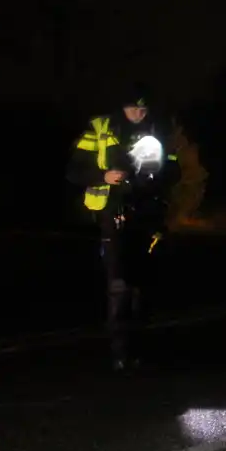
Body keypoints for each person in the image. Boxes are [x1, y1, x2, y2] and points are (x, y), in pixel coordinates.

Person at [66, 86, 180, 371]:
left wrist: (156, 172)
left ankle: (140, 349)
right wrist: (103, 175)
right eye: (132, 108)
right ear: (121, 107)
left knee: (143, 283)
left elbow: (174, 169)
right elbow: (74, 170)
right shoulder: (100, 128)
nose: (138, 114)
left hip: (148, 215)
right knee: (118, 284)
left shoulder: (158, 128)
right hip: (113, 213)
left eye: (143, 109)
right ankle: (119, 353)